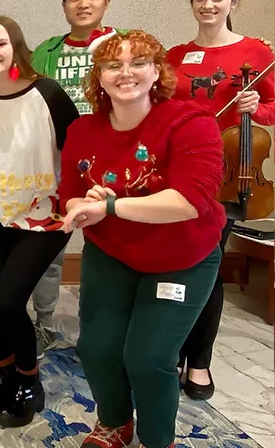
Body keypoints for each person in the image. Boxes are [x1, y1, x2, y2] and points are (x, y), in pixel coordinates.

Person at [58, 29, 226, 448]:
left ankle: (157, 439)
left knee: (148, 359)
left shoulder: (191, 122)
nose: (125, 73)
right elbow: (69, 195)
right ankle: (115, 423)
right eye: (113, 65)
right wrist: (85, 201)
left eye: (138, 63)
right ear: (99, 76)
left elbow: (192, 201)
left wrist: (111, 207)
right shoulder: (82, 130)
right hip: (112, 252)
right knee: (97, 348)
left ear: (156, 72)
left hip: (182, 257)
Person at [0, 16, 78, 428]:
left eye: (0, 44)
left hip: (42, 220)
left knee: (8, 299)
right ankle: (6, 373)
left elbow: (80, 148)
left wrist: (80, 202)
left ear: (16, 48)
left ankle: (30, 381)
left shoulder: (47, 93)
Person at [166, 0, 275, 401]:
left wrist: (258, 109)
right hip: (180, 171)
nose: (208, 5)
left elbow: (271, 104)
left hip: (230, 176)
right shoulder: (177, 54)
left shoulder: (256, 51)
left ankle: (200, 361)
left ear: (234, 1)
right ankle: (171, 347)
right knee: (173, 263)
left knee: (206, 267)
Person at [29, 0, 116, 359]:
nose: (83, 4)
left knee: (113, 248)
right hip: (57, 162)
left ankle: (105, 330)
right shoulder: (46, 51)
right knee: (51, 244)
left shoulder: (124, 46)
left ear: (106, 2)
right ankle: (44, 323)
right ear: (64, 5)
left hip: (114, 163)